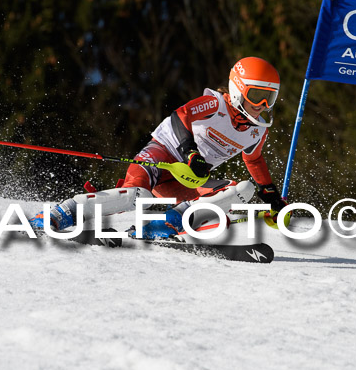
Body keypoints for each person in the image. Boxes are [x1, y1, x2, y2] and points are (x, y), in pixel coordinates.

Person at [29, 56, 288, 238]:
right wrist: (191, 152)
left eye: (270, 98)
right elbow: (180, 117)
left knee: (243, 189)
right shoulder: (216, 105)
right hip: (161, 156)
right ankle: (59, 214)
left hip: (187, 179)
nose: (264, 105)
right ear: (238, 90)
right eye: (257, 96)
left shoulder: (256, 131)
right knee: (136, 196)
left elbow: (253, 161)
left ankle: (168, 224)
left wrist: (272, 196)